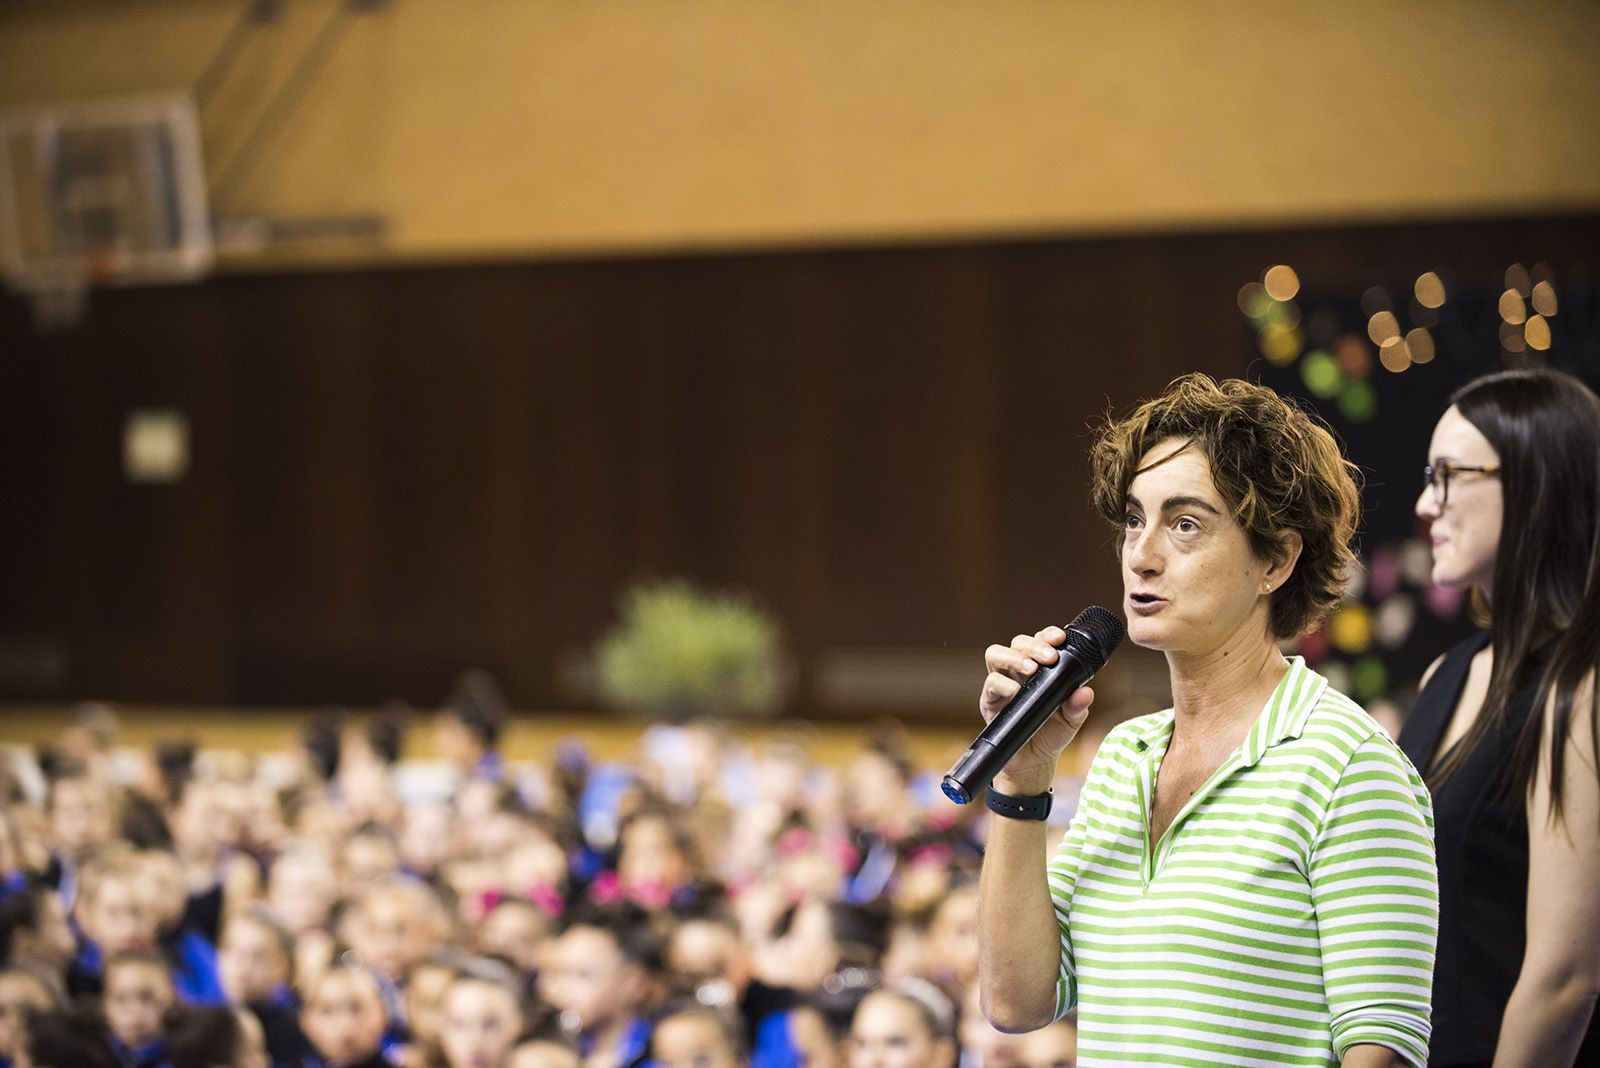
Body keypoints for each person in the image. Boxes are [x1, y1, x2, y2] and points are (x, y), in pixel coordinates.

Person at [976, 373, 1438, 1066]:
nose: (1142, 553)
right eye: (1135, 519)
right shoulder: (1124, 757)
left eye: (1185, 524)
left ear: (1276, 561)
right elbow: (1017, 1002)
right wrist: (1022, 774)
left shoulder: (1348, 765)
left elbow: (1383, 1050)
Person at [1397, 367, 1600, 1066]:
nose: (1427, 503)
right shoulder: (1443, 675)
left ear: (1537, 483)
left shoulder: (1581, 685)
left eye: (1449, 475)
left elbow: (1565, 979)